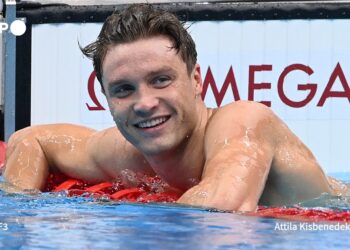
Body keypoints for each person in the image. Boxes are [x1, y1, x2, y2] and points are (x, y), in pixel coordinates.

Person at [2, 4, 347, 212]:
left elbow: (220, 210)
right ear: (105, 98)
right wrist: (19, 210)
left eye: (161, 80)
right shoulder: (125, 152)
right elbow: (32, 139)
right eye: (124, 89)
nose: (145, 103)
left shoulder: (243, 122)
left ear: (196, 79)